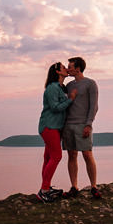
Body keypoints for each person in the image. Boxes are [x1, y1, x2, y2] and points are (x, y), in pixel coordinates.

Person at [37, 62, 77, 203]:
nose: (66, 69)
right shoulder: (52, 88)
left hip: (54, 127)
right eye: (63, 67)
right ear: (58, 72)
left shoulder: (60, 88)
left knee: (48, 158)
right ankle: (44, 190)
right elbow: (54, 107)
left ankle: (45, 188)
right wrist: (70, 100)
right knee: (56, 156)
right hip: (49, 126)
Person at [62, 56, 101, 199]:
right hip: (68, 125)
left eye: (70, 67)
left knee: (87, 154)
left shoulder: (90, 84)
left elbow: (94, 106)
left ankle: (94, 187)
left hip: (82, 124)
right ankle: (74, 187)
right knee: (72, 155)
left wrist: (88, 124)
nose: (68, 69)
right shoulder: (69, 86)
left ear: (78, 68)